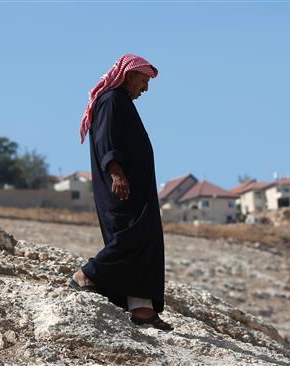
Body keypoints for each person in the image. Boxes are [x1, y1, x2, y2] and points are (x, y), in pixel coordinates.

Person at [69, 54, 172, 331]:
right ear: (128, 75)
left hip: (135, 187)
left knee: (146, 240)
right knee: (131, 237)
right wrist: (117, 174)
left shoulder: (122, 102)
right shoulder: (112, 100)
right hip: (122, 186)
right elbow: (106, 140)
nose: (146, 88)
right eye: (143, 80)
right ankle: (87, 274)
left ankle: (141, 308)